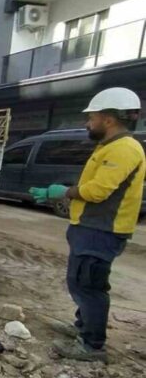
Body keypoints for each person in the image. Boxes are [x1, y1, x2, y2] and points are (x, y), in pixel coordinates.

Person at [30, 87, 144, 363]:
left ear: (108, 119)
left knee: (89, 285)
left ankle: (92, 345)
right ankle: (83, 327)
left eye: (91, 118)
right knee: (80, 281)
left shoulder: (124, 149)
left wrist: (65, 192)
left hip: (102, 230)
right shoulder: (109, 147)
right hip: (91, 227)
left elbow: (99, 190)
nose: (87, 123)